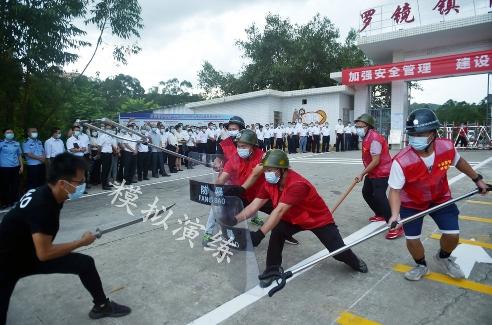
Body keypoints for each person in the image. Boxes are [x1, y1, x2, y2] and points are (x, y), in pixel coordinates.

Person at [0, 153, 131, 324]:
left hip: (29, 251)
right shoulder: (43, 205)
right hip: (6, 261)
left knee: (85, 264)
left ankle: (101, 306)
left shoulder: (51, 193)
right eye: (80, 182)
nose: (83, 185)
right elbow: (45, 253)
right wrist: (81, 242)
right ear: (62, 183)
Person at [224, 149, 367, 287]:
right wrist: (234, 219)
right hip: (292, 218)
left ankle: (354, 261)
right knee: (277, 233)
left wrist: (260, 234)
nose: (267, 173)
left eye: (271, 169)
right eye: (265, 169)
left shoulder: (297, 185)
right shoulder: (269, 183)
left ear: (283, 169)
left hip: (316, 219)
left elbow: (279, 211)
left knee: (338, 252)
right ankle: (272, 270)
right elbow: (254, 206)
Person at [387, 109, 488, 281]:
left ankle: (442, 258)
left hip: (440, 198)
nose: (415, 138)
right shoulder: (401, 160)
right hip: (412, 203)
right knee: (412, 239)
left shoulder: (446, 147)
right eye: (412, 134)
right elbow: (394, 190)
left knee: (452, 236)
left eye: (421, 133)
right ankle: (421, 265)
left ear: (433, 133)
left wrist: (477, 179)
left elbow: (460, 162)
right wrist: (395, 216)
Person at [214, 131, 299, 244]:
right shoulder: (235, 158)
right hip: (243, 196)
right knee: (226, 215)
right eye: (238, 146)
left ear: (253, 146)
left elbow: (258, 174)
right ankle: (228, 236)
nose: (240, 149)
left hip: (263, 197)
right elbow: (223, 177)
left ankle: (284, 235)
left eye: (243, 146)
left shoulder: (264, 157)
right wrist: (217, 186)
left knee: (283, 215)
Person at [354, 114, 402, 239]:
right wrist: (366, 173)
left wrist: (362, 173)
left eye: (360, 126)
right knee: (367, 192)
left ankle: (395, 225)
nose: (357, 129)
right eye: (356, 126)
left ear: (368, 126)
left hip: (382, 172)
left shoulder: (374, 138)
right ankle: (380, 214)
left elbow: (376, 160)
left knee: (379, 196)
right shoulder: (366, 137)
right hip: (373, 172)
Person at [0, 129, 23, 209]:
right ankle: (4, 203)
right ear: (4, 134)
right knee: (4, 186)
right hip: (4, 168)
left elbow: (19, 155)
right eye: (8, 132)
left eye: (11, 132)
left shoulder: (16, 143)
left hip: (15, 167)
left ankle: (14, 201)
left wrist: (21, 166)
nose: (10, 133)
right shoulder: (1, 143)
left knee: (15, 185)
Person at [97, 123, 117, 190]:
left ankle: (107, 183)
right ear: (105, 129)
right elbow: (99, 146)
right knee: (104, 170)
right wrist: (98, 154)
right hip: (104, 154)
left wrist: (116, 151)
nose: (109, 130)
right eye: (108, 128)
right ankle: (104, 185)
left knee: (108, 170)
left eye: (110, 129)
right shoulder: (102, 136)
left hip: (109, 154)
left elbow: (112, 145)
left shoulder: (110, 136)